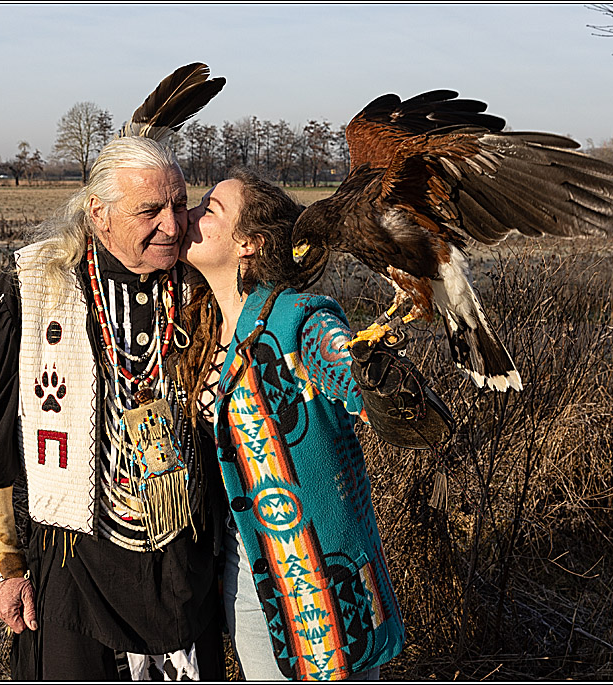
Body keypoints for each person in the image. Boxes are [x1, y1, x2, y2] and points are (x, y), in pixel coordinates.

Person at [0, 135, 224, 681]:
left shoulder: (205, 284)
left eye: (179, 203)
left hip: (182, 568)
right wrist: (4, 567)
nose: (173, 226)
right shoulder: (34, 287)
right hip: (77, 565)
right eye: (149, 211)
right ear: (98, 213)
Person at [174, 168, 453, 680]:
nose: (189, 215)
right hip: (245, 586)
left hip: (324, 585)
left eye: (209, 210)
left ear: (249, 245)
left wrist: (383, 390)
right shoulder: (197, 329)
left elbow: (343, 368)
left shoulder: (301, 320)